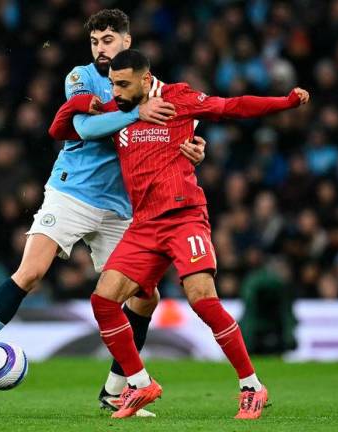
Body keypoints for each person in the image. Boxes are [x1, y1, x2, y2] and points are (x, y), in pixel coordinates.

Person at [0, 10, 206, 417]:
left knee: (145, 297)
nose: (101, 48)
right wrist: (136, 114)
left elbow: (168, 135)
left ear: (127, 42)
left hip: (120, 206)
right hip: (72, 192)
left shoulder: (153, 89)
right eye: (95, 41)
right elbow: (83, 127)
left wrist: (193, 150)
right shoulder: (80, 78)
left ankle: (115, 392)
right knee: (30, 273)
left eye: (108, 40)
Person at [49, 49, 309, 418]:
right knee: (103, 301)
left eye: (122, 84)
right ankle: (140, 384)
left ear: (144, 78)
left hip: (183, 215)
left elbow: (232, 106)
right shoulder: (118, 110)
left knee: (202, 299)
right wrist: (79, 101)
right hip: (144, 225)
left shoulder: (178, 98)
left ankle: (251, 385)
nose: (116, 91)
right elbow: (58, 129)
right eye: (112, 84)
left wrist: (285, 102)